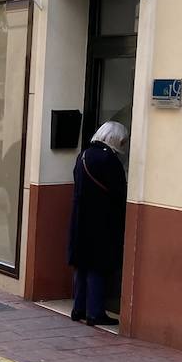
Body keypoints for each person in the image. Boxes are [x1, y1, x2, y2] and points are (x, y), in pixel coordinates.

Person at [68, 121, 128, 327]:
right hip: (102, 220)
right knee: (97, 267)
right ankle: (95, 312)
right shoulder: (109, 160)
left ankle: (78, 308)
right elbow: (119, 192)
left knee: (82, 265)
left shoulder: (83, 155)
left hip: (80, 218)